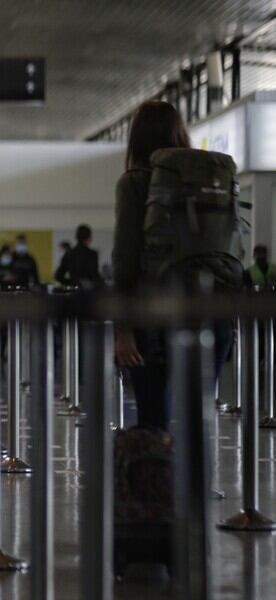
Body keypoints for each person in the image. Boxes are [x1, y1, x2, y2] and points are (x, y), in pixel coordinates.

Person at [112, 100, 235, 429]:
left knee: (155, 422)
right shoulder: (207, 182)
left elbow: (124, 260)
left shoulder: (135, 181)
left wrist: (123, 331)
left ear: (136, 138)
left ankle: (159, 482)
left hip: (156, 315)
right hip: (214, 310)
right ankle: (196, 481)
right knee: (198, 424)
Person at [55, 224, 102, 289]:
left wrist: (72, 282)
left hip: (74, 292)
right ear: (89, 237)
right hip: (89, 293)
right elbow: (95, 275)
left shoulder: (68, 254)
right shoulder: (92, 254)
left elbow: (58, 276)